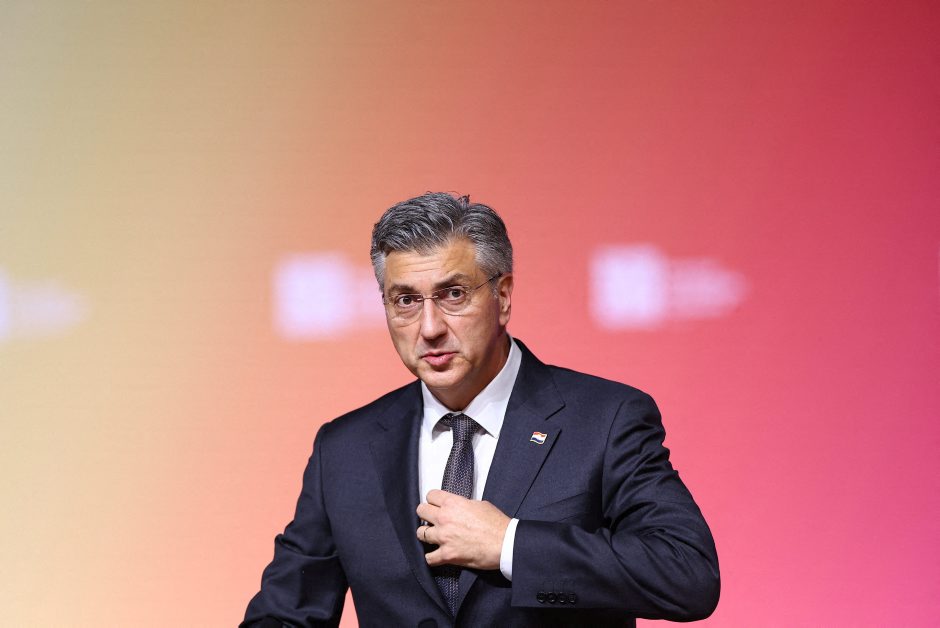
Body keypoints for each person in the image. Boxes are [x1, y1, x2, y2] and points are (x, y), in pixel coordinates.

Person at [242, 192, 719, 627]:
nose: (429, 327)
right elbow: (284, 615)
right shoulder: (345, 449)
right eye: (405, 300)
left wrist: (510, 544)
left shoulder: (604, 419)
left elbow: (687, 575)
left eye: (453, 294)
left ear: (503, 297)